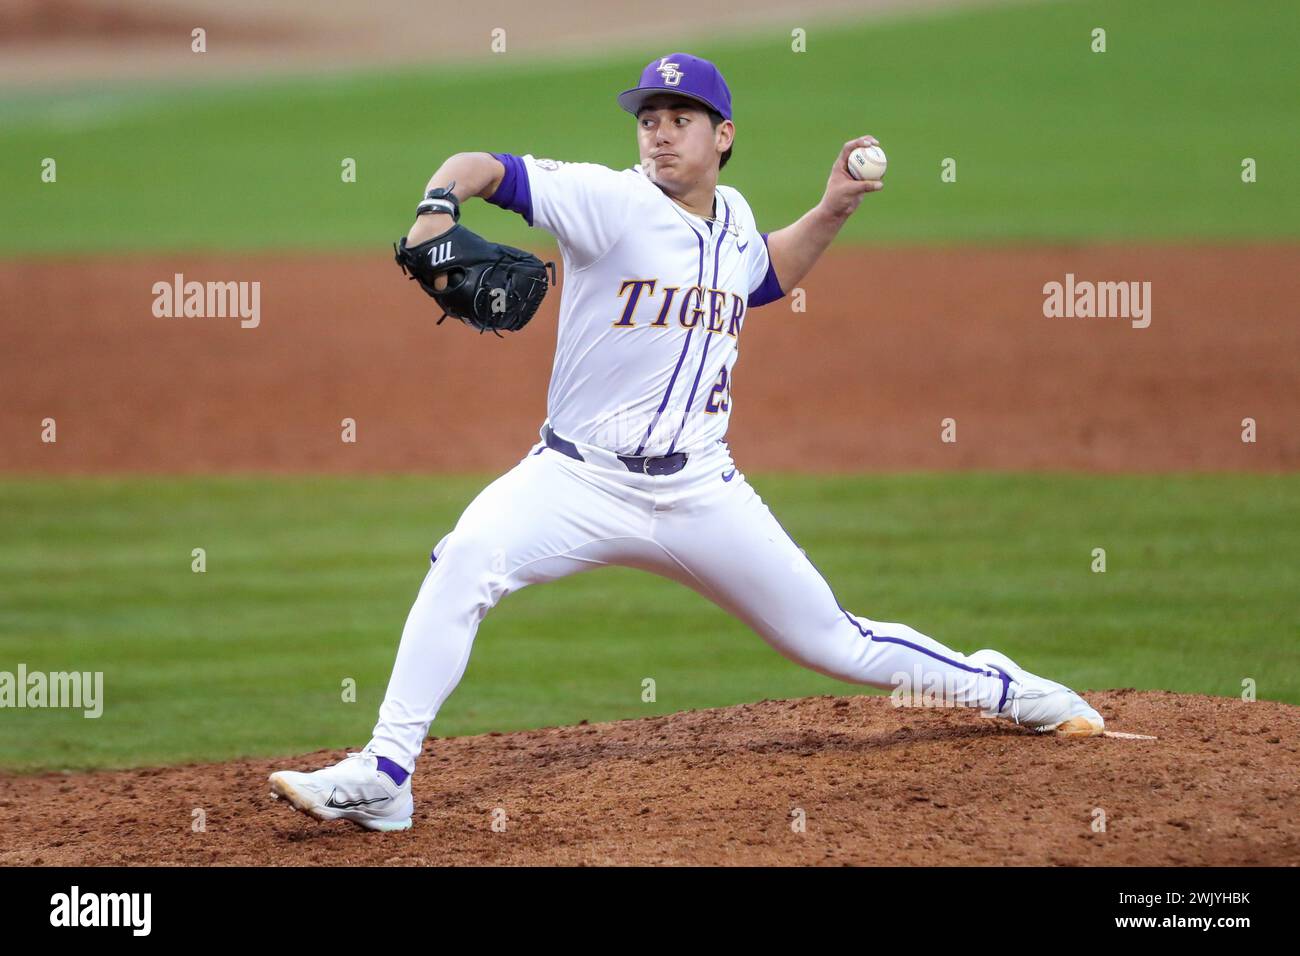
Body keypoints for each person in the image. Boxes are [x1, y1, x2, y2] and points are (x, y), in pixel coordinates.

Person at [269, 53, 1104, 832]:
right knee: (463, 562)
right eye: (649, 118)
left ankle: (1010, 689)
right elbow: (482, 165)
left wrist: (830, 210)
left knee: (831, 640)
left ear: (723, 135)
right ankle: (386, 774)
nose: (660, 131)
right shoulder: (606, 200)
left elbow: (765, 274)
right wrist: (437, 207)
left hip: (702, 492)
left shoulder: (734, 218)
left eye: (680, 116)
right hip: (574, 482)